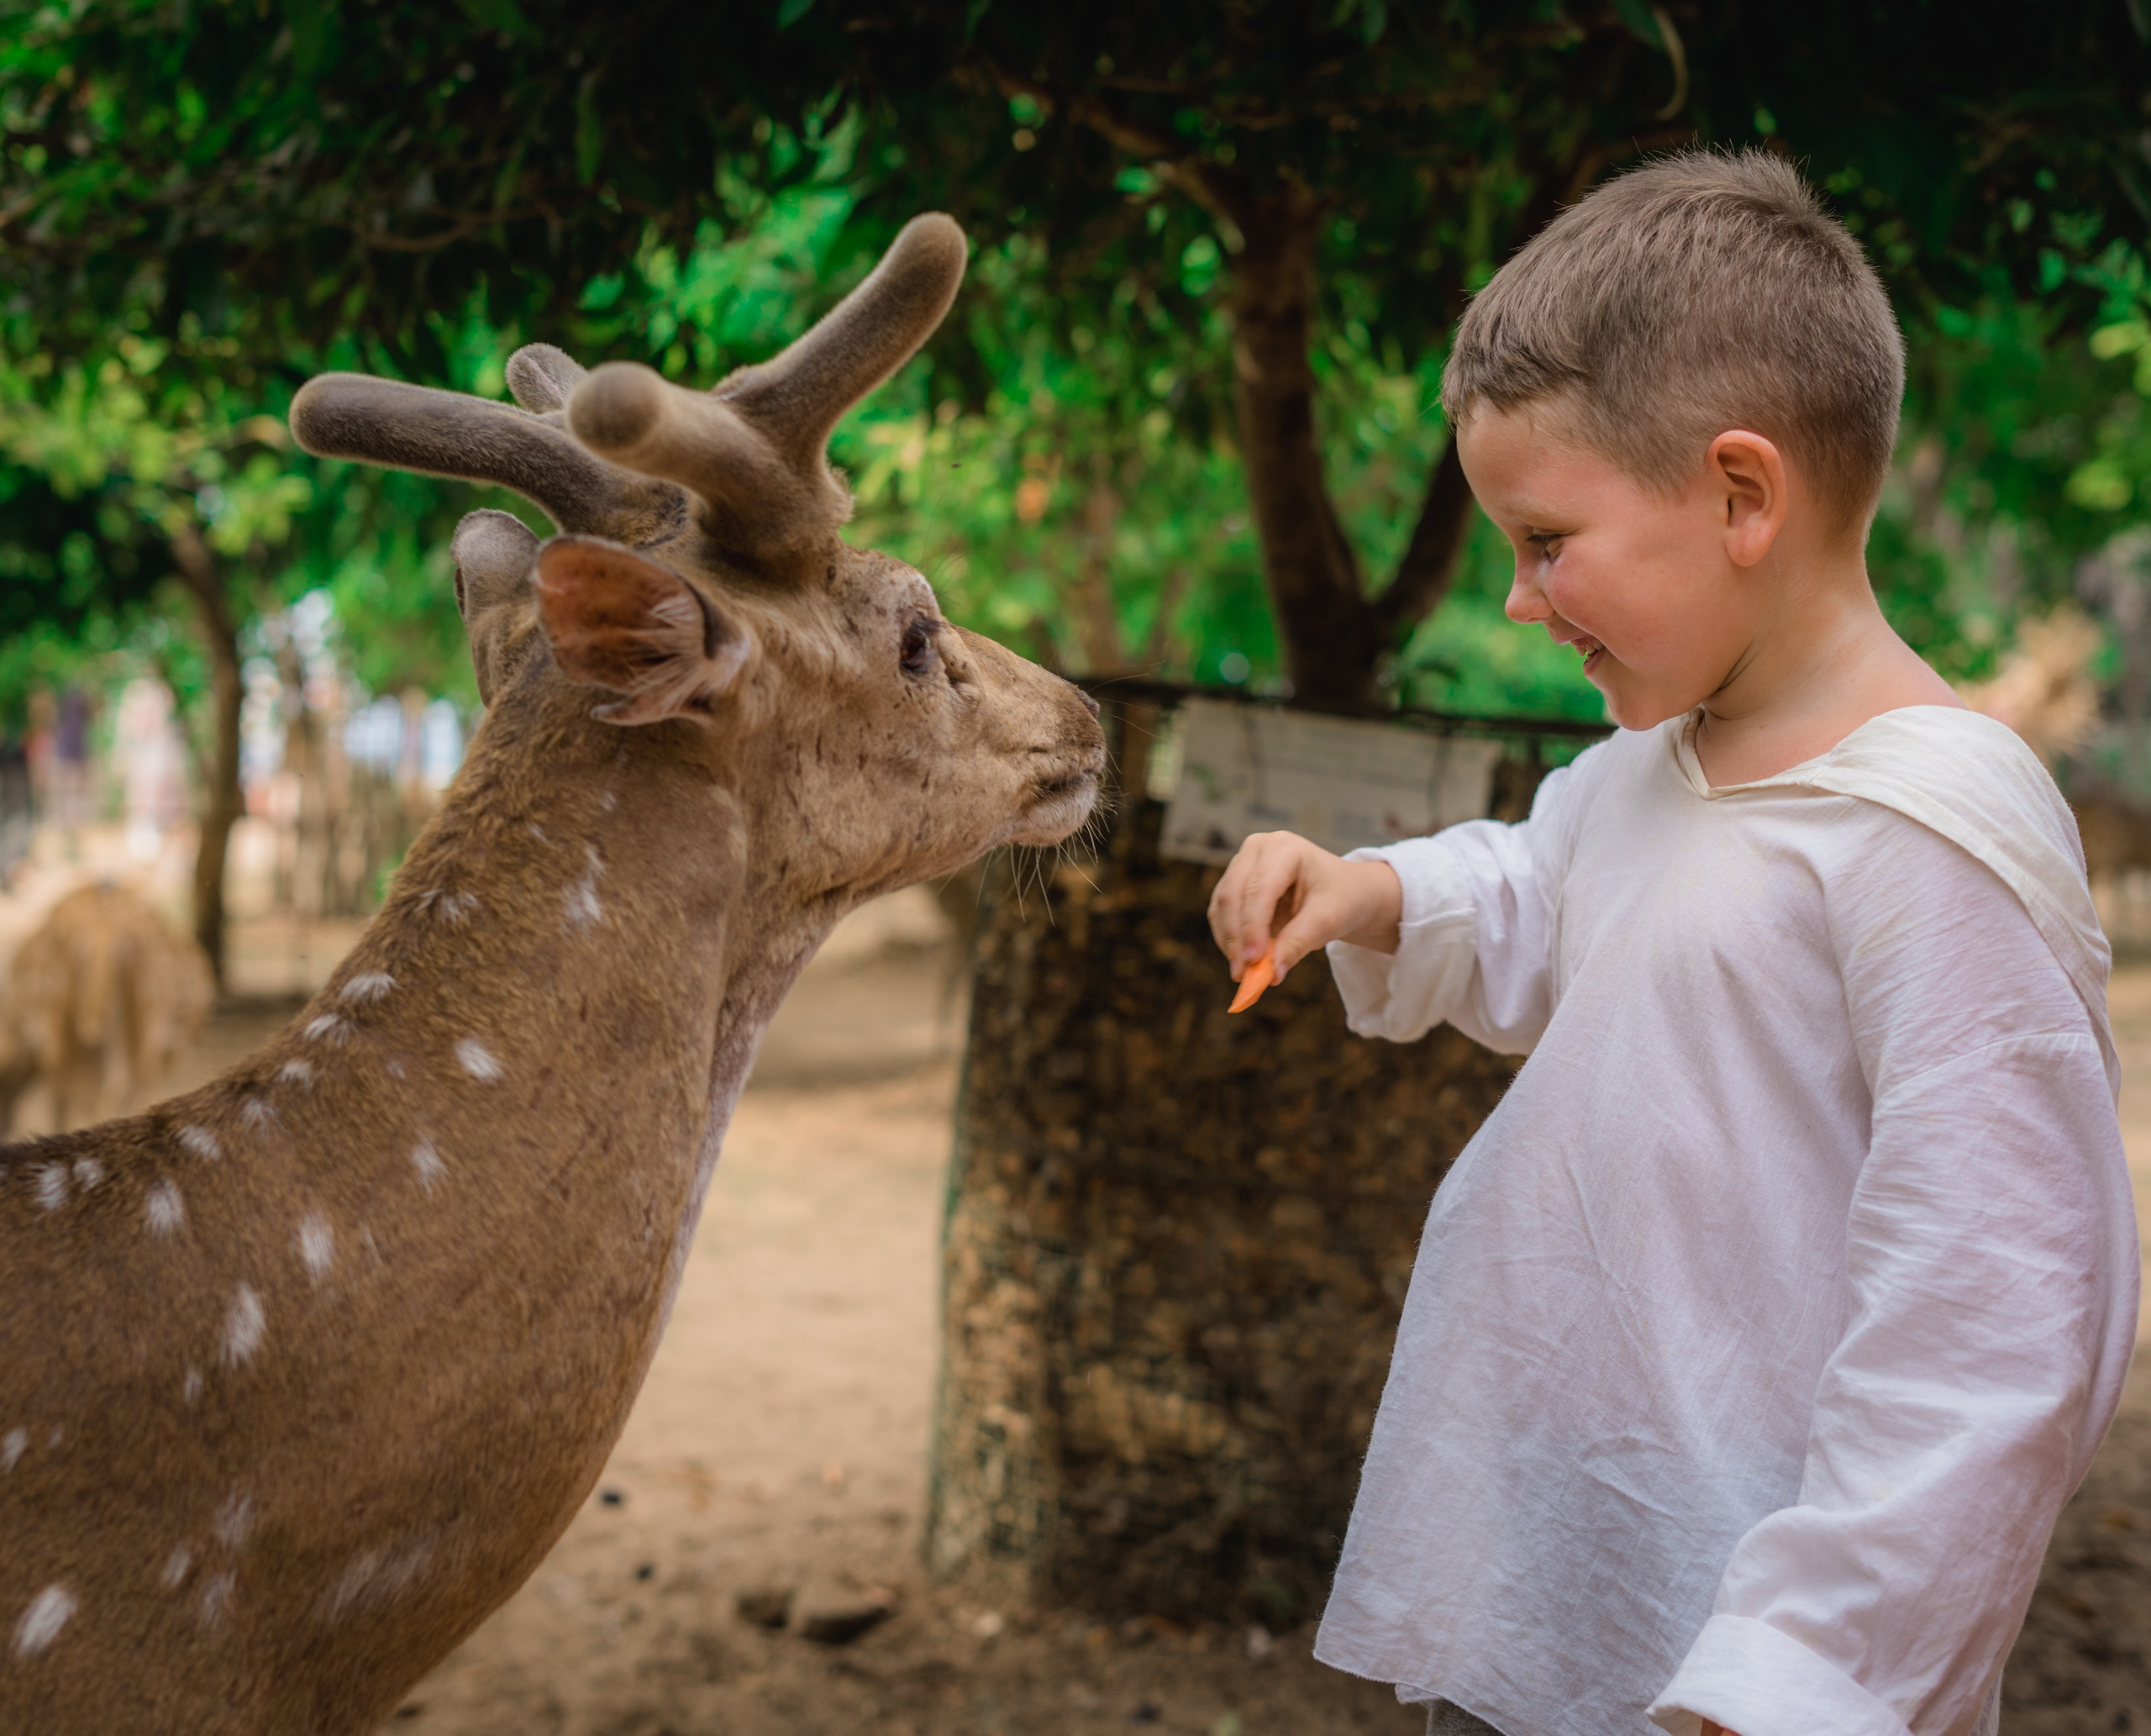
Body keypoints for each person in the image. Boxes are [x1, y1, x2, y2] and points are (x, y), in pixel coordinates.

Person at [1208, 150, 2138, 1736]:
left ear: (1739, 494)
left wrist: (1794, 1677)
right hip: (1558, 1581)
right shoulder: (1647, 771)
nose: (1515, 599)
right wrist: (1374, 889)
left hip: (1753, 1658)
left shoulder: (1928, 832)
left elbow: (1991, 1316)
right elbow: (1543, 891)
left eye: (1546, 540)